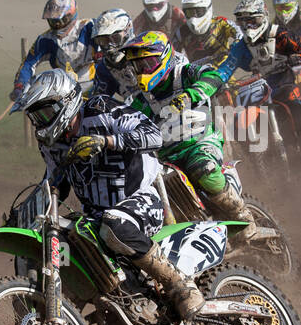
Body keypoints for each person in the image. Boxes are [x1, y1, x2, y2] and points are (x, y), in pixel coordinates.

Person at [17, 68, 205, 323]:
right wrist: (29, 211)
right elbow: (55, 180)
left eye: (45, 113)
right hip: (95, 217)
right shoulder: (51, 144)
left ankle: (179, 284)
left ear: (65, 102)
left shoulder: (101, 109)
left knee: (114, 224)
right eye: (36, 117)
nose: (41, 122)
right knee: (55, 247)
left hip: (140, 201)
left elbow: (154, 135)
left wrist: (106, 141)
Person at [105, 30, 259, 240]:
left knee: (202, 168)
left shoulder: (184, 73)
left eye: (147, 64)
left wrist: (190, 94)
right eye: (138, 66)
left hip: (200, 142)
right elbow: (125, 123)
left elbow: (213, 76)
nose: (143, 71)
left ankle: (244, 216)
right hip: (165, 157)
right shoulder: (139, 100)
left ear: (164, 57)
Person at [218, 0, 301, 167]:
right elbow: (225, 68)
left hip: (283, 83)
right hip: (260, 89)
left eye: (252, 21)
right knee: (237, 120)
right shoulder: (240, 46)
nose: (248, 27)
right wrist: (212, 81)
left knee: (299, 109)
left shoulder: (280, 34)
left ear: (263, 16)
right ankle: (256, 162)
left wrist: (296, 58)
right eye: (243, 22)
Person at [10, 0, 95, 103]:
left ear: (70, 16)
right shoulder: (46, 39)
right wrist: (19, 86)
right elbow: (28, 64)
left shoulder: (89, 27)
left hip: (95, 86)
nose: (57, 25)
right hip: (65, 91)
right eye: (53, 21)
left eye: (60, 21)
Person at [175, 0, 242, 66]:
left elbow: (240, 31)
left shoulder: (220, 23)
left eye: (198, 11)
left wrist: (236, 44)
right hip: (195, 74)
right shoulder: (181, 31)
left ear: (208, 9)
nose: (194, 17)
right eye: (190, 12)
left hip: (223, 73)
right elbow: (172, 55)